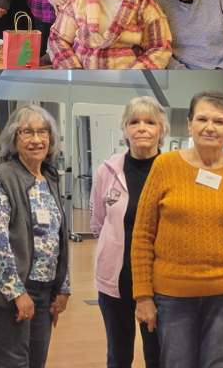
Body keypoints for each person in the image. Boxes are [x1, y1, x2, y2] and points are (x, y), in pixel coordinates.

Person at [132, 92, 223, 368]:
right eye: (202, 119)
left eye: (220, 121)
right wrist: (143, 295)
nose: (210, 127)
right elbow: (142, 235)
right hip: (173, 294)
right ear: (189, 124)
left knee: (220, 364)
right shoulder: (165, 166)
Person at [0, 104, 70, 368]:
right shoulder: (3, 178)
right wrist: (16, 293)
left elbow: (58, 237)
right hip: (8, 291)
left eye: (42, 132)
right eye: (27, 132)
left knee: (36, 362)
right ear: (14, 139)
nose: (36, 139)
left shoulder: (50, 177)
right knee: (13, 363)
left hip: (44, 289)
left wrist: (63, 287)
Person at [90, 97, 166, 368]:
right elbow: (98, 223)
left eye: (150, 122)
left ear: (161, 130)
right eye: (134, 122)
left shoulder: (173, 171)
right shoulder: (106, 171)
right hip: (116, 281)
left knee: (157, 356)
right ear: (125, 130)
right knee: (119, 355)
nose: (142, 128)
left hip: (161, 283)